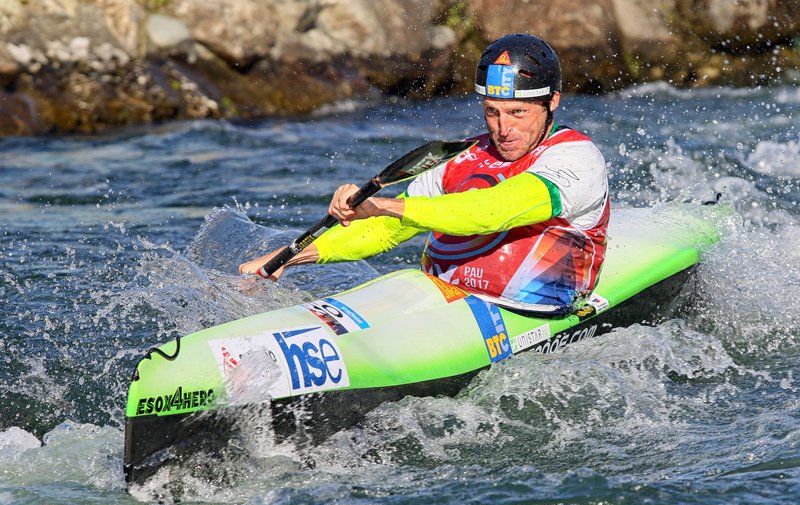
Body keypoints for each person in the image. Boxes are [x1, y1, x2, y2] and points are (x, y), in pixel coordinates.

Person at [240, 33, 610, 315]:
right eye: (492, 112)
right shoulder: (459, 157)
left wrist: (387, 206)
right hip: (441, 305)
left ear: (552, 102)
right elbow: (385, 231)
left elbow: (493, 210)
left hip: (528, 313)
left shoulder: (576, 158)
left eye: (518, 113)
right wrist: (288, 258)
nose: (503, 129)